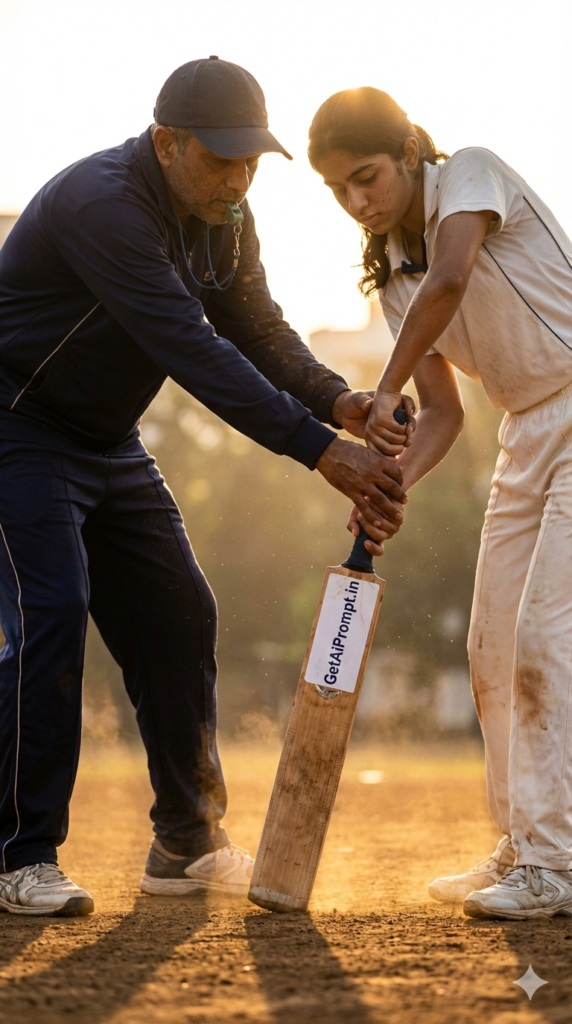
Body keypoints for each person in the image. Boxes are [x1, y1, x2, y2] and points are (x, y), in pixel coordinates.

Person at [0, 61, 409, 918]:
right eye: (221, 160)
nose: (238, 179)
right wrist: (319, 448)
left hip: (108, 440)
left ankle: (186, 840)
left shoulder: (226, 215)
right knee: (51, 608)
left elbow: (255, 324)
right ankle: (20, 854)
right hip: (17, 428)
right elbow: (191, 348)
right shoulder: (102, 204)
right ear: (166, 144)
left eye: (251, 161)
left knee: (180, 611)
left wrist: (339, 397)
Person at [308, 86, 572, 921]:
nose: (358, 201)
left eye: (367, 176)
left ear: (409, 153)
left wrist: (380, 391)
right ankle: (521, 847)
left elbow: (455, 277)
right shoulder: (394, 283)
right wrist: (391, 484)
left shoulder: (470, 175)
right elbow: (448, 413)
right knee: (492, 643)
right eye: (339, 190)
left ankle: (556, 863)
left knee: (541, 633)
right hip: (525, 432)